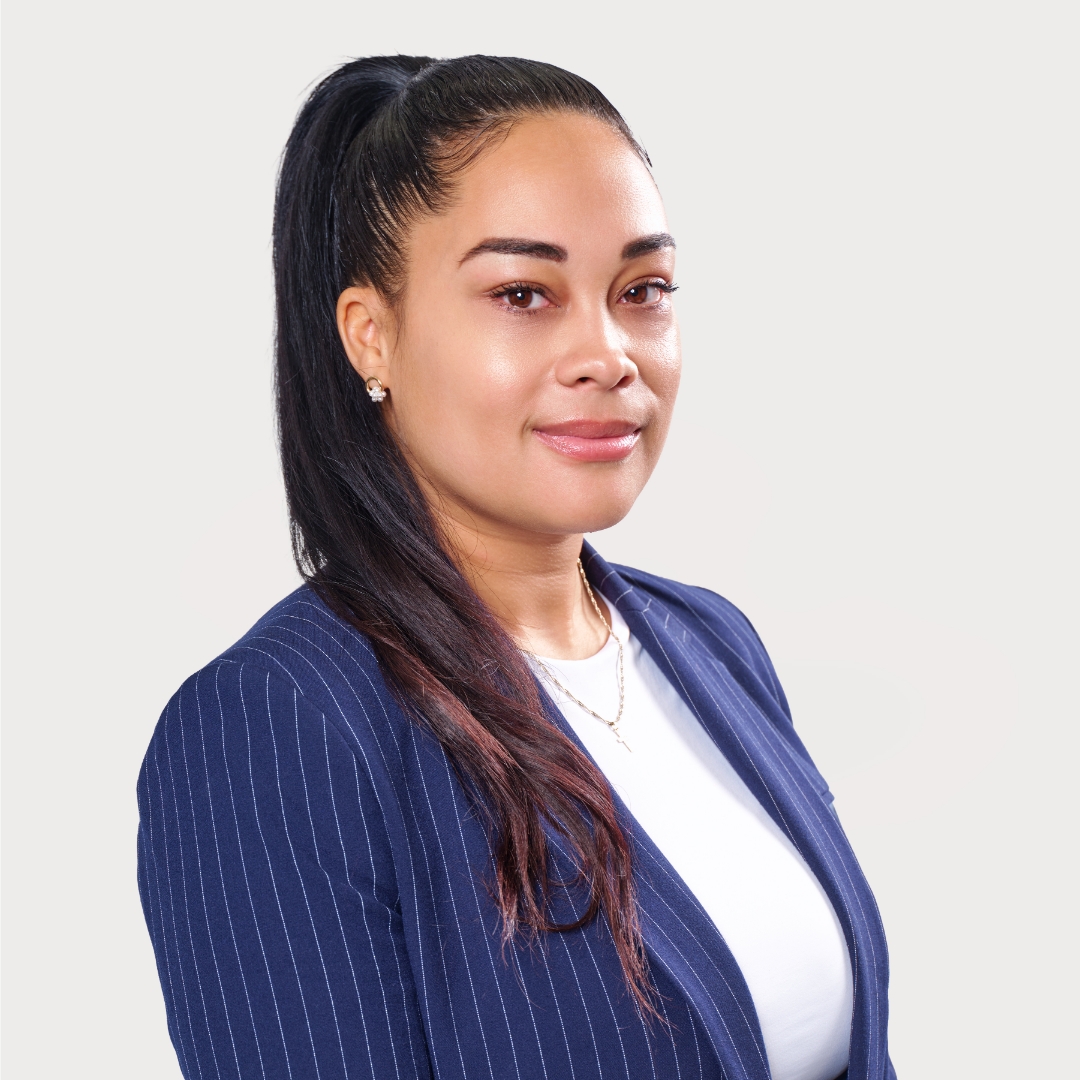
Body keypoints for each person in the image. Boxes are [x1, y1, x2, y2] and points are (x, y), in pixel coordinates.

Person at [137, 54, 894, 1080]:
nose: (608, 353)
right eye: (524, 294)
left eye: (642, 290)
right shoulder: (278, 726)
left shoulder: (711, 642)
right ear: (371, 337)